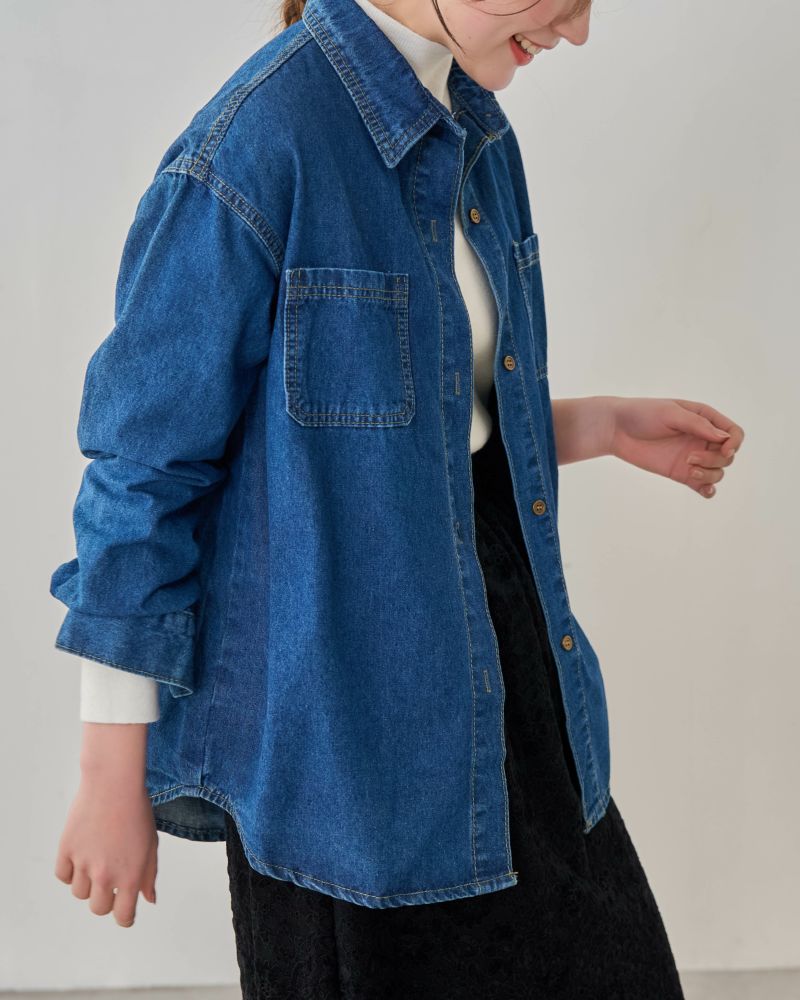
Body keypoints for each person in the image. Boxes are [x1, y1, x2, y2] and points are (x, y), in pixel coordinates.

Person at [50, 0, 744, 996]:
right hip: (342, 741)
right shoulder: (255, 145)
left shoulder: (475, 131)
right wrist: (109, 770)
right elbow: (143, 472)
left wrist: (594, 425)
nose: (579, 29)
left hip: (507, 672)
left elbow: (399, 424)